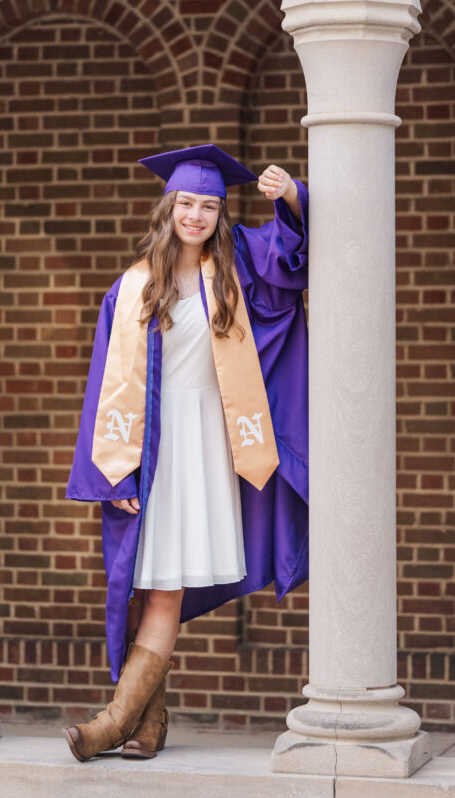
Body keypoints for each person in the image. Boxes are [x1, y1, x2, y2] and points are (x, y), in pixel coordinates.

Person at [63, 144, 309, 762]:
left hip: (206, 438)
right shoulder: (131, 287)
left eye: (208, 204)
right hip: (148, 444)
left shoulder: (236, 269)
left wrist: (290, 197)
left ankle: (112, 723)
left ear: (221, 212)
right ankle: (148, 726)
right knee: (148, 587)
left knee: (163, 588)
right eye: (185, 203)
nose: (195, 214)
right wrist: (108, 470)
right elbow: (104, 385)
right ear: (167, 207)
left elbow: (292, 259)